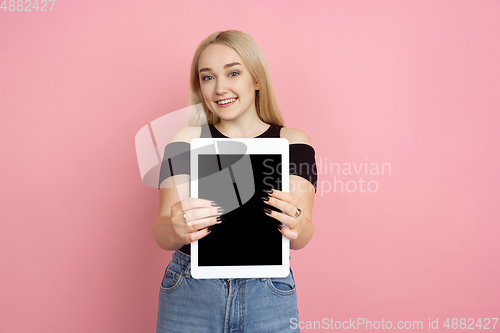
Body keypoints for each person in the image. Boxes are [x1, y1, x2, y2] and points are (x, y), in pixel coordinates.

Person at [153, 30, 317, 333]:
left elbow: (303, 235)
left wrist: (295, 222)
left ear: (256, 79)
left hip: (268, 292)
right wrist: (175, 227)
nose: (220, 88)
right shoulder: (185, 141)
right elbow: (162, 232)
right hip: (191, 290)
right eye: (208, 77)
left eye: (233, 72)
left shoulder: (293, 142)